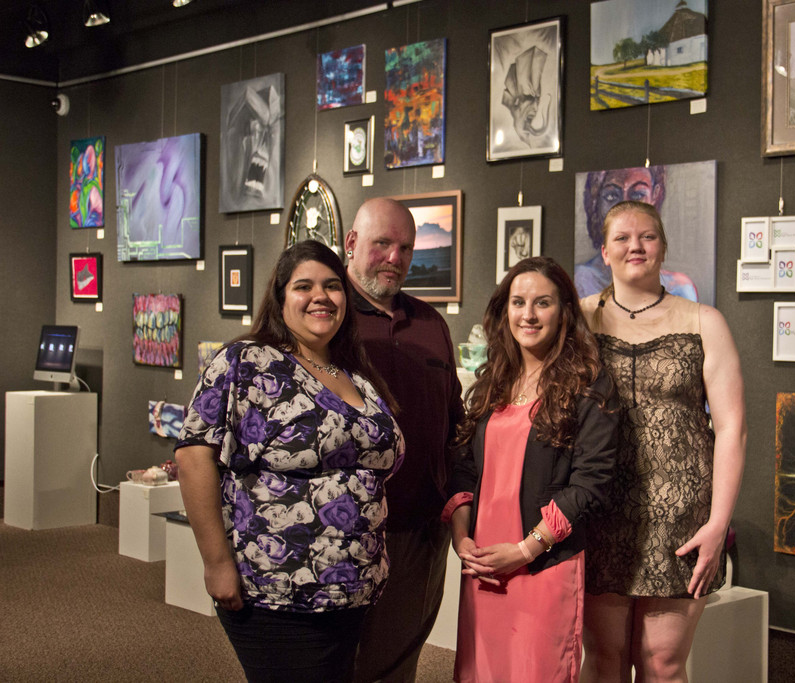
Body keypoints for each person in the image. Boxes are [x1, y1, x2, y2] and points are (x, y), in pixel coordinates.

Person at [174, 240, 405, 682]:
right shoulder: (246, 362)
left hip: (352, 592)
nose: (321, 296)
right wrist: (217, 564)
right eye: (304, 286)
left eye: (333, 286)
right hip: (278, 592)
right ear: (281, 299)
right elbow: (193, 458)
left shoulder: (354, 374)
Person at [580, 201, 746, 683]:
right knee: (604, 656)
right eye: (623, 238)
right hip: (599, 508)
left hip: (681, 517)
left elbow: (732, 429)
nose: (636, 246)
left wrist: (719, 524)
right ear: (605, 251)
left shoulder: (704, 321)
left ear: (663, 246)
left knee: (663, 663)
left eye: (648, 236)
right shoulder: (578, 321)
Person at [444, 256, 620, 682]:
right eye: (518, 302)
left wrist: (524, 550)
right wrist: (461, 536)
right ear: (504, 310)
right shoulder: (493, 381)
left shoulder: (589, 382)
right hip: (485, 564)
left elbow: (591, 484)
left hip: (543, 565)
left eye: (542, 303)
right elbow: (465, 467)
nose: (528, 314)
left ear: (563, 312)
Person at [345, 197, 465, 683]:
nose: (395, 258)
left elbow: (454, 419)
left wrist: (456, 501)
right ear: (352, 243)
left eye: (406, 248)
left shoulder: (431, 324)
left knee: (398, 664)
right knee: (339, 662)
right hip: (343, 529)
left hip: (418, 530)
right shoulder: (324, 316)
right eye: (382, 244)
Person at [574, 166, 698, 301]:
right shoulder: (581, 282)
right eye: (611, 195)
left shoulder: (680, 289)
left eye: (638, 194)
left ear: (655, 196)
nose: (626, 205)